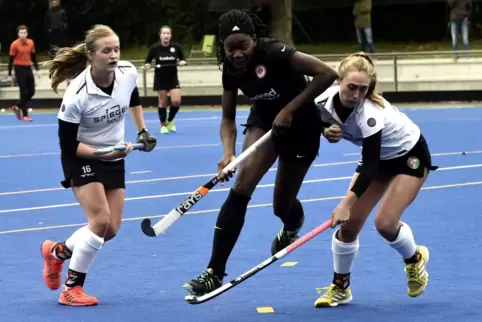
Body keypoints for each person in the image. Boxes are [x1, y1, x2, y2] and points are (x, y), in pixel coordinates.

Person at [183, 9, 338, 296]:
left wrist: (290, 109)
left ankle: (292, 223)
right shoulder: (230, 69)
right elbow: (228, 118)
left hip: (301, 125)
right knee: (241, 187)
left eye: (243, 46)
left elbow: (328, 74)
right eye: (230, 48)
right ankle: (214, 272)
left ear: (255, 40)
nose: (237, 53)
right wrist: (228, 153)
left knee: (282, 206)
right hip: (264, 121)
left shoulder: (276, 52)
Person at [40, 24, 157, 307]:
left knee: (110, 230)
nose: (114, 55)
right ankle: (71, 288)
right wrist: (100, 153)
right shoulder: (77, 94)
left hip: (112, 155)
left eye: (116, 49)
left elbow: (132, 96)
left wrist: (141, 131)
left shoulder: (128, 71)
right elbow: (67, 145)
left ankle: (57, 253)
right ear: (92, 55)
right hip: (81, 156)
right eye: (107, 50)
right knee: (100, 221)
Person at [313, 52, 436, 308]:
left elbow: (369, 165)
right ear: (338, 81)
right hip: (379, 160)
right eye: (351, 87)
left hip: (409, 156)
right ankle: (340, 288)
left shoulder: (369, 113)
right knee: (348, 228)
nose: (356, 95)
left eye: (363, 89)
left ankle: (414, 259)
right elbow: (312, 122)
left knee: (385, 224)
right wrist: (325, 131)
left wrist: (346, 202)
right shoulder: (322, 100)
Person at [144, 25, 186, 134]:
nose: (166, 35)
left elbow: (183, 59)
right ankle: (163, 125)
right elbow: (147, 61)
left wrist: (182, 62)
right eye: (164, 33)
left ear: (171, 35)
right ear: (160, 35)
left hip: (173, 78)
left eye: (168, 33)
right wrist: (147, 65)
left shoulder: (176, 47)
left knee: (176, 101)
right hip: (160, 78)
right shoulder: (155, 48)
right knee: (162, 103)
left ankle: (170, 120)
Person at [8, 25, 39, 122]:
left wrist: (37, 70)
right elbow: (10, 60)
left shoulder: (31, 43)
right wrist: (9, 74)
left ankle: (17, 106)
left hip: (28, 67)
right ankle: (25, 115)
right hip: (19, 68)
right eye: (21, 33)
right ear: (18, 34)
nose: (23, 35)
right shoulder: (14, 44)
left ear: (27, 33)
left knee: (32, 91)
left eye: (24, 33)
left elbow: (33, 57)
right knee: (23, 92)